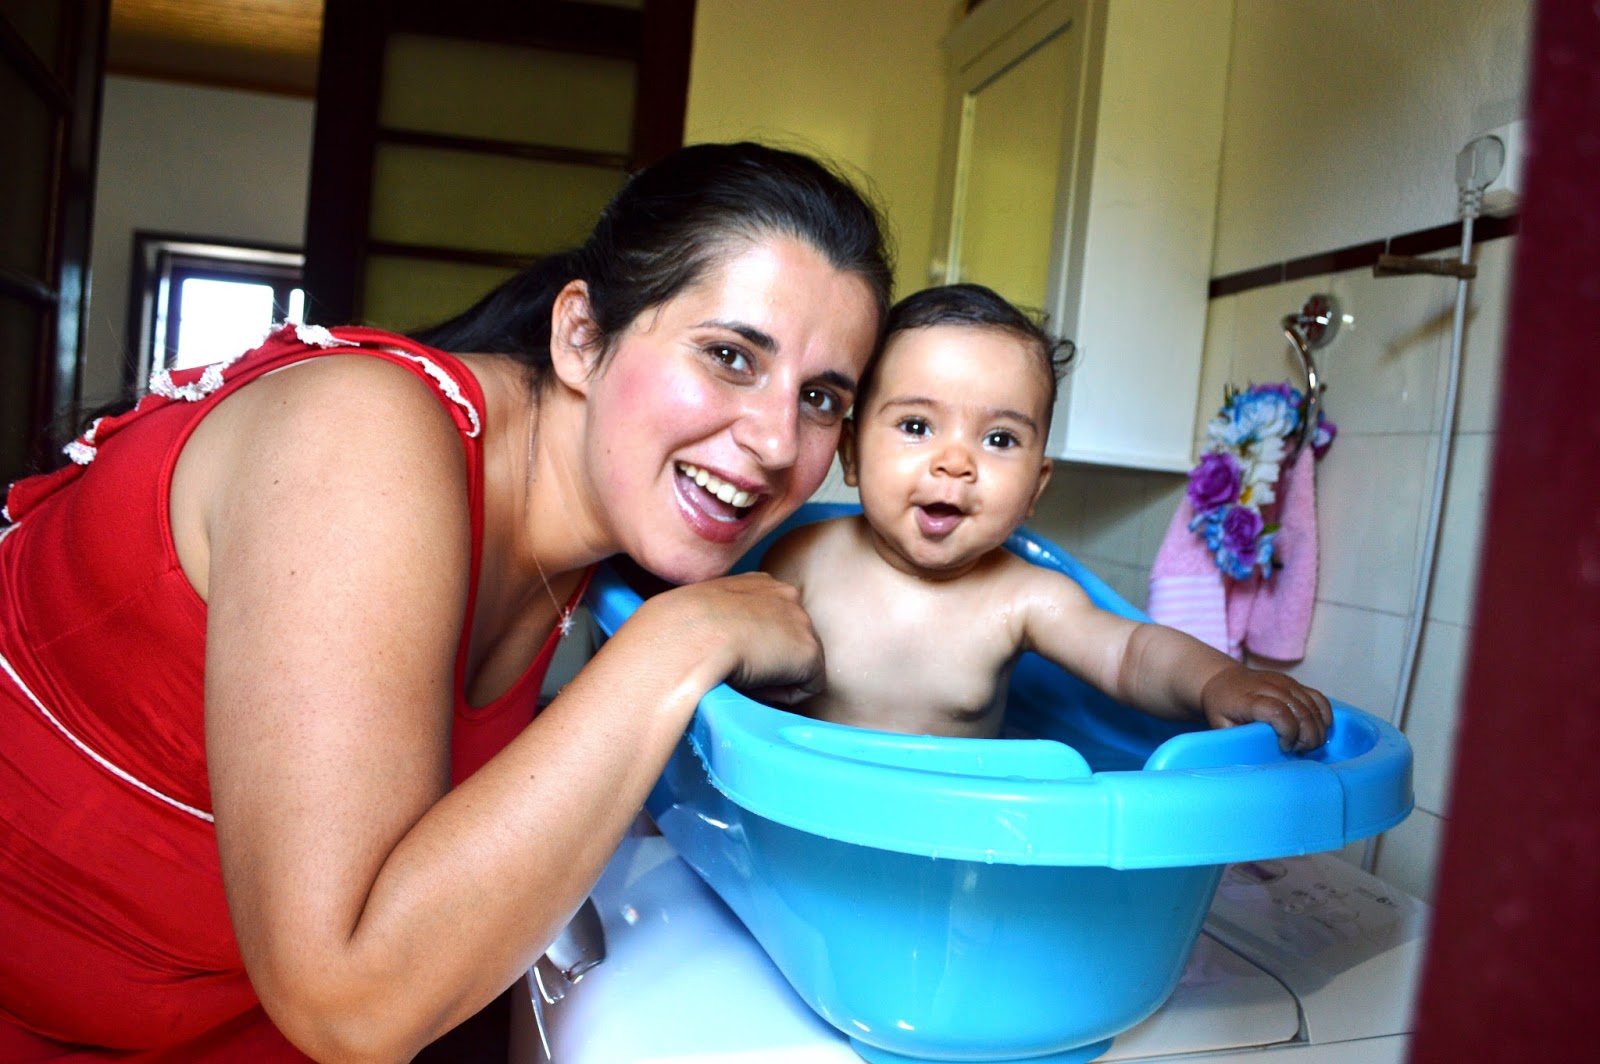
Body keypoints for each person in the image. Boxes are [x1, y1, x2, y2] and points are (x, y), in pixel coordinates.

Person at [0, 142, 892, 1062]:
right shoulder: (358, 437)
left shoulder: (600, 539)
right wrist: (679, 641)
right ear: (581, 336)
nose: (777, 441)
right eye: (730, 357)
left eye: (822, 399)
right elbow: (349, 1003)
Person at [761, 283, 1332, 750]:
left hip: (952, 831)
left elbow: (1131, 655)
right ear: (852, 454)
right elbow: (745, 671)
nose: (955, 463)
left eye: (999, 438)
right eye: (916, 426)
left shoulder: (1025, 598)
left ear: (1036, 486)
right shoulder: (805, 558)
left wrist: (1220, 680)